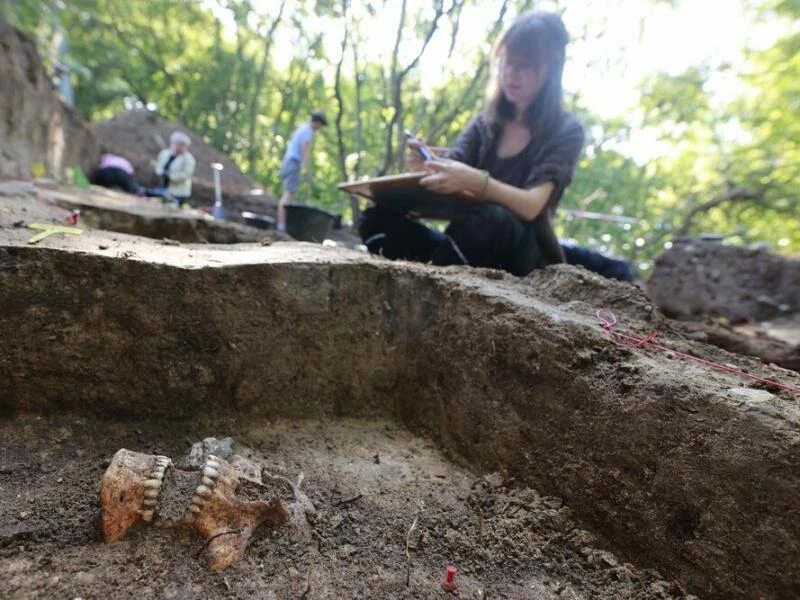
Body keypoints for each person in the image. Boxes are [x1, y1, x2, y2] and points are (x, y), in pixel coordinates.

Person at [359, 11, 585, 276]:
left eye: (524, 65)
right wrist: (428, 170)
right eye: (507, 63)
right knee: (376, 218)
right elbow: (453, 175)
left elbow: (531, 205)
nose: (512, 74)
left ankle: (432, 281)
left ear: (550, 69)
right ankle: (431, 277)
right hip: (462, 246)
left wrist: (479, 183)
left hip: (519, 254)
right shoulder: (486, 123)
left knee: (494, 219)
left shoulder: (566, 130)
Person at [278, 111, 328, 232]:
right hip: (293, 163)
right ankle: (281, 226)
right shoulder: (308, 131)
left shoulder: (302, 128)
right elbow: (305, 151)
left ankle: (282, 225)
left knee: (288, 193)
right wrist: (308, 172)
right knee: (288, 195)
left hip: (288, 162)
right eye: (321, 125)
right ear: (317, 122)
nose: (320, 128)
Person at [154, 131, 196, 207]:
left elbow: (186, 174)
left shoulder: (189, 159)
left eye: (176, 143)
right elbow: (158, 166)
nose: (174, 145)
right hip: (163, 188)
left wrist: (171, 176)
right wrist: (161, 173)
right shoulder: (165, 153)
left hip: (178, 192)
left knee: (168, 205)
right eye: (173, 143)